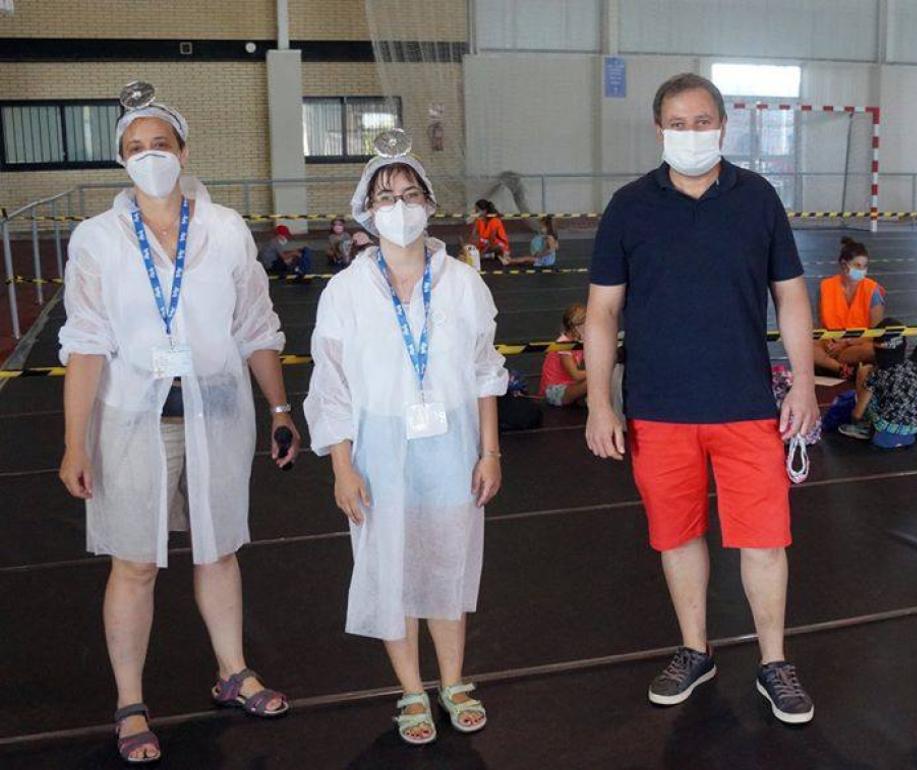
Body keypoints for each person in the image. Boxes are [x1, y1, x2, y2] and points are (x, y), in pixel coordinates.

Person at [57, 86, 298, 765]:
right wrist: (75, 441)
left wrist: (280, 408)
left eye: (161, 144)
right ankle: (130, 701)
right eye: (136, 148)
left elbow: (255, 326)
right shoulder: (97, 239)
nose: (150, 156)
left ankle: (232, 671)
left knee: (218, 550)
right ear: (121, 161)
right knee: (133, 562)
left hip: (218, 414)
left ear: (183, 151)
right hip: (133, 420)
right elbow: (86, 343)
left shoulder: (222, 230)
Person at [584, 73, 819, 724]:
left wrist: (801, 379)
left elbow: (791, 294)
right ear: (660, 130)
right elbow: (602, 312)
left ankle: (774, 661)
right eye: (679, 124)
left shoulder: (758, 199)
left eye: (704, 121)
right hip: (658, 410)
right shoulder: (630, 207)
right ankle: (696, 649)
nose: (693, 133)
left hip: (745, 402)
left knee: (765, 539)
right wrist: (600, 401)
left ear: (724, 124)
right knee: (677, 536)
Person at [305, 130, 509, 745]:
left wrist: (490, 450)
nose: (398, 205)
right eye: (385, 195)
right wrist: (343, 466)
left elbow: (483, 369)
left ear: (429, 202)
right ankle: (411, 691)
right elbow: (332, 386)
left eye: (409, 192)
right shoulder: (343, 292)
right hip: (377, 448)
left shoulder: (465, 283)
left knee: (447, 560)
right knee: (389, 565)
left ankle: (452, 680)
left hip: (451, 445)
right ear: (365, 209)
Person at [839, 318, 917, 449]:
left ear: (876, 351)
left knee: (863, 373)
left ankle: (864, 426)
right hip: (912, 431)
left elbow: (857, 413)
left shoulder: (877, 374)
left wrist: (853, 416)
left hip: (883, 433)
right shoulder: (916, 368)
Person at [812, 237, 886, 378]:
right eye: (858, 266)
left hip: (855, 346)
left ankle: (830, 365)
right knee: (805, 343)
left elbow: (875, 333)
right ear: (844, 265)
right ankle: (842, 369)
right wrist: (829, 343)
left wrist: (845, 343)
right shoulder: (825, 287)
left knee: (874, 350)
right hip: (829, 344)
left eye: (865, 266)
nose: (862, 270)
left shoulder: (872, 290)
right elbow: (821, 325)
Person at [539, 303, 587, 406]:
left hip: (568, 385)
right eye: (585, 326)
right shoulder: (564, 344)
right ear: (575, 328)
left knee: (598, 378)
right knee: (597, 379)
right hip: (553, 391)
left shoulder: (578, 342)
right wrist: (600, 372)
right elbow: (576, 375)